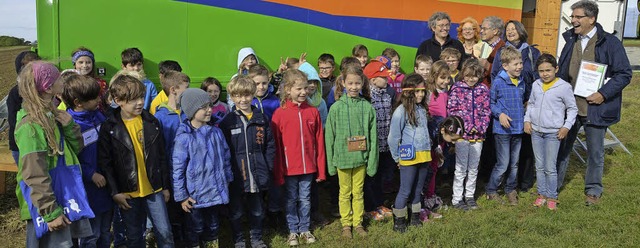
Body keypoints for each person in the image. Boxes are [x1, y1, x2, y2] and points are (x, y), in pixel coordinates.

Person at [555, 0, 632, 206]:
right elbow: (563, 72)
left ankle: (593, 190)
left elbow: (624, 74)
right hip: (570, 107)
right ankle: (553, 187)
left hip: (596, 108)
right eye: (572, 17)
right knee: (562, 148)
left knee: (595, 152)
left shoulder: (610, 43)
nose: (573, 20)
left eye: (577, 17)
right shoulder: (571, 39)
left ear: (592, 19)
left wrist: (603, 94)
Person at [15, 61, 92, 247]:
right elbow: (34, 174)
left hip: (64, 196)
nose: (62, 81)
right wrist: (50, 212)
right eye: (58, 78)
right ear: (48, 87)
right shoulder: (31, 126)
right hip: (46, 206)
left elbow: (76, 149)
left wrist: (69, 126)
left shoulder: (53, 115)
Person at [98, 74, 174, 248]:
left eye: (141, 97)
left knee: (165, 233)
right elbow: (106, 163)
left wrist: (165, 186)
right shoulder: (109, 127)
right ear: (118, 100)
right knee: (133, 237)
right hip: (128, 193)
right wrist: (115, 192)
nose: (140, 102)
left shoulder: (151, 121)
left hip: (154, 189)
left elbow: (161, 156)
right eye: (133, 99)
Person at [271, 69, 326, 246]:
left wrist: (321, 170)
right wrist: (278, 171)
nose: (304, 92)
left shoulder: (313, 112)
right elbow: (277, 147)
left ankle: (304, 228)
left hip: (308, 167)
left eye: (305, 88)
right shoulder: (280, 114)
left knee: (305, 198)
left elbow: (319, 142)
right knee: (290, 198)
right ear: (287, 89)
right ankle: (292, 230)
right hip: (289, 168)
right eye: (299, 89)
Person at [172, 88, 233, 248]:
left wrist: (227, 179)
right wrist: (182, 196)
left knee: (213, 227)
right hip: (194, 198)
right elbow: (177, 170)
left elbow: (225, 157)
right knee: (195, 228)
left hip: (214, 194)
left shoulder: (216, 133)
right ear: (192, 110)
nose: (209, 110)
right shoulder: (184, 138)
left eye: (210, 106)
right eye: (204, 107)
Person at [219, 75, 274, 248]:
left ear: (253, 94)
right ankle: (239, 239)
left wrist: (268, 165)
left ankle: (256, 238)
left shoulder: (261, 119)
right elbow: (224, 150)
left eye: (247, 95)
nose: (243, 99)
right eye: (238, 96)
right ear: (232, 97)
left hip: (258, 173)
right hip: (236, 175)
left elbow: (270, 145)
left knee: (257, 210)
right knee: (235, 211)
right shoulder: (228, 122)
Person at [60, 73, 113, 248]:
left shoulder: (98, 115)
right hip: (88, 189)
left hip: (106, 184)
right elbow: (69, 161)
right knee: (91, 234)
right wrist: (90, 174)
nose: (99, 99)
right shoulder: (70, 127)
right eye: (94, 97)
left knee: (105, 230)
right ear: (78, 103)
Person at [325, 65, 378, 239]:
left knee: (358, 192)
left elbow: (373, 137)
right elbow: (329, 137)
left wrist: (372, 162)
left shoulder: (367, 107)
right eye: (350, 83)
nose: (354, 87)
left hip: (361, 159)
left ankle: (358, 222)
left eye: (357, 83)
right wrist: (330, 163)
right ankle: (346, 224)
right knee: (344, 192)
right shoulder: (336, 108)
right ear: (343, 83)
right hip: (342, 160)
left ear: (362, 83)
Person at [490, 20, 542, 193]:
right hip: (506, 106)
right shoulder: (501, 52)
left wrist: (531, 99)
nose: (511, 31)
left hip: (526, 103)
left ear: (521, 30)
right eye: (508, 29)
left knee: (523, 150)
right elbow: (495, 76)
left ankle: (524, 183)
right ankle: (498, 186)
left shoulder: (532, 51)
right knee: (505, 158)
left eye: (514, 28)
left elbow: (536, 76)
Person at [524, 53, 578, 211]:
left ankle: (552, 196)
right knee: (539, 165)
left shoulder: (564, 87)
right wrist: (527, 120)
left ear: (556, 69)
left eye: (548, 70)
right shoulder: (536, 85)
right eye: (541, 71)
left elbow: (572, 109)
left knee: (550, 166)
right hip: (536, 131)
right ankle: (541, 194)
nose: (545, 74)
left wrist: (566, 126)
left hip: (553, 133)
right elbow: (531, 104)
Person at [388, 74, 432, 233]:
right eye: (417, 91)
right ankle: (399, 222)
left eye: (423, 91)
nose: (420, 94)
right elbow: (393, 137)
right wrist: (397, 158)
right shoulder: (401, 111)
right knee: (405, 190)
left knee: (418, 190)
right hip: (408, 158)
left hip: (424, 156)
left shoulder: (422, 108)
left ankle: (414, 218)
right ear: (408, 91)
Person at [447, 59, 491, 211]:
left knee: (473, 167)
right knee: (460, 168)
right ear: (463, 74)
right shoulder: (457, 88)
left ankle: (469, 196)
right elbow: (452, 111)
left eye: (474, 76)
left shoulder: (483, 89)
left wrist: (479, 127)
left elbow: (486, 111)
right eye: (468, 76)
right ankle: (457, 198)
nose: (471, 79)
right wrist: (466, 127)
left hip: (478, 136)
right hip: (462, 136)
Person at [486, 46, 525, 206]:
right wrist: (500, 114)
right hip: (502, 130)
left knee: (514, 163)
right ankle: (491, 190)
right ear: (505, 66)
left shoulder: (522, 81)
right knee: (503, 163)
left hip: (518, 129)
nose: (519, 66)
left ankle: (510, 189)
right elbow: (491, 103)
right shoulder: (498, 82)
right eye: (515, 64)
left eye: (521, 63)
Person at [362, 60, 395, 221]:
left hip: (385, 145)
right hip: (373, 147)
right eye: (383, 77)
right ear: (373, 79)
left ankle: (380, 204)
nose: (387, 79)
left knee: (382, 176)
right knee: (370, 178)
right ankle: (370, 207)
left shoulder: (387, 96)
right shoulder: (367, 98)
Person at [8, 51, 39, 165]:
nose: (31, 71)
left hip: (39, 144)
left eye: (34, 67)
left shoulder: (42, 90)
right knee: (25, 177)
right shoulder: (16, 92)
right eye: (27, 67)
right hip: (20, 145)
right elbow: (13, 121)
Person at [478, 16, 505, 87]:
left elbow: (505, 74)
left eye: (484, 29)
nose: (481, 31)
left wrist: (488, 66)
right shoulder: (479, 47)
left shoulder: (504, 49)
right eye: (481, 28)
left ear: (495, 31)